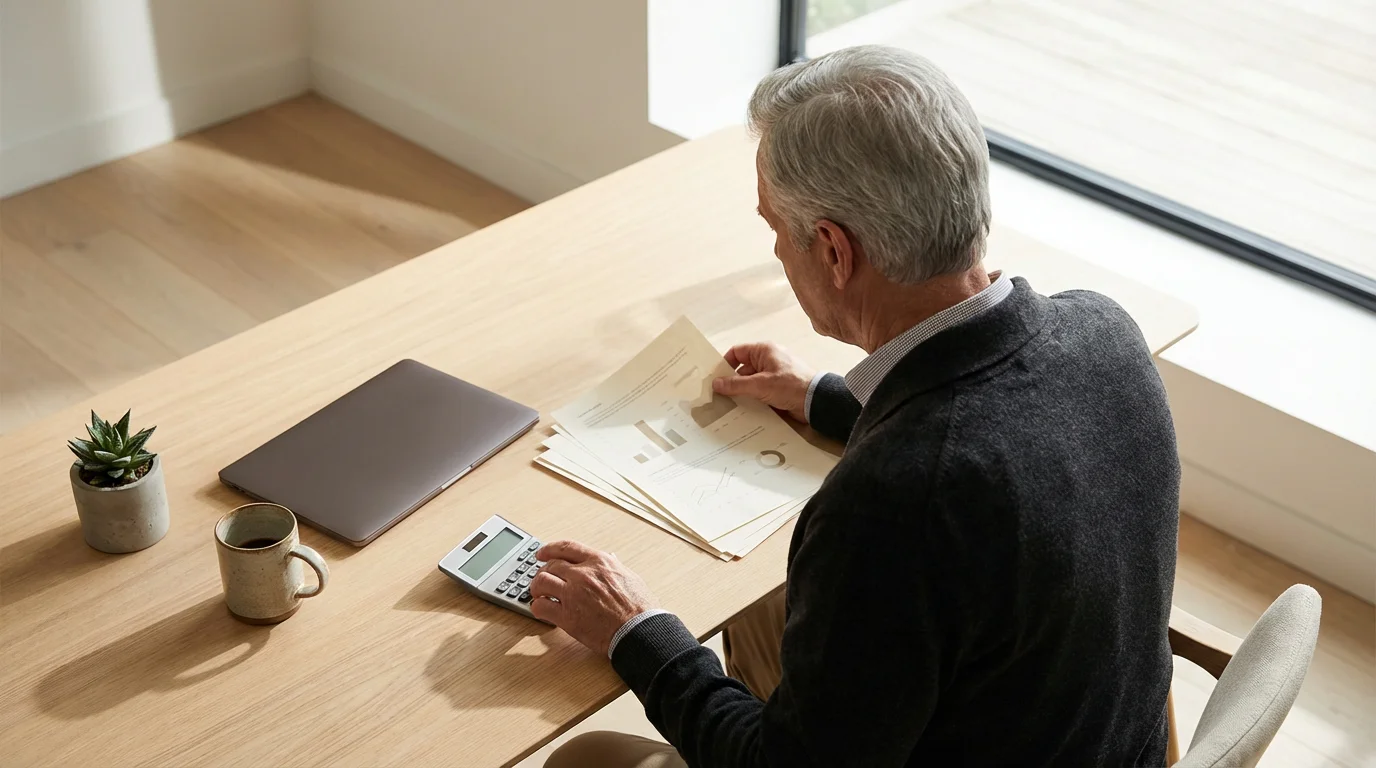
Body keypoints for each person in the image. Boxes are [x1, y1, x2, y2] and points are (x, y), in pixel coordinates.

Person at [533, 44, 1179, 767]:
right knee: (761, 612)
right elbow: (1001, 419)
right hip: (1098, 735)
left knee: (581, 758)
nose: (777, 249)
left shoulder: (891, 503)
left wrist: (633, 629)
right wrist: (823, 400)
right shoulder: (1104, 330)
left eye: (776, 227)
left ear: (835, 252)